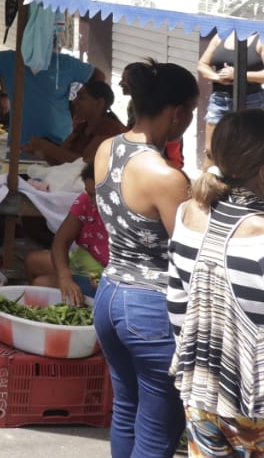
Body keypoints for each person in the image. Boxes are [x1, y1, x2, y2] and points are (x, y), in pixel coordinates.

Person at [91, 59, 198, 458]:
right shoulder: (166, 177)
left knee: (126, 411)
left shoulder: (106, 149)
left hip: (110, 295)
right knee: (157, 428)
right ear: (177, 113)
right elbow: (189, 253)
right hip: (150, 307)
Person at [168, 109, 264, 456]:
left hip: (201, 394)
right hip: (253, 407)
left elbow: (177, 306)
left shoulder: (189, 213)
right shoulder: (258, 234)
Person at [0, 6, 102, 146]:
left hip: (60, 144)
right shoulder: (11, 60)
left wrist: (79, 100)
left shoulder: (64, 63)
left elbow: (98, 76)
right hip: (21, 145)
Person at [26, 163, 108, 304]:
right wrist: (64, 277)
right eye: (89, 193)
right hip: (84, 259)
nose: (92, 201)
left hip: (104, 276)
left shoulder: (133, 213)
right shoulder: (86, 201)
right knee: (32, 260)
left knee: (41, 284)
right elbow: (61, 241)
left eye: (96, 195)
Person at [196, 31, 264, 165]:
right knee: (211, 149)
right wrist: (216, 77)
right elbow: (202, 64)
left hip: (251, 100)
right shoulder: (221, 36)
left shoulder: (260, 38)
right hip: (219, 99)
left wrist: (239, 74)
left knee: (248, 148)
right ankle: (209, 183)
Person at [25, 79, 126, 165]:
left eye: (81, 98)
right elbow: (61, 160)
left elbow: (85, 164)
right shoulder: (82, 128)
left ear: (99, 103)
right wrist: (40, 152)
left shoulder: (110, 129)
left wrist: (46, 147)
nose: (74, 102)